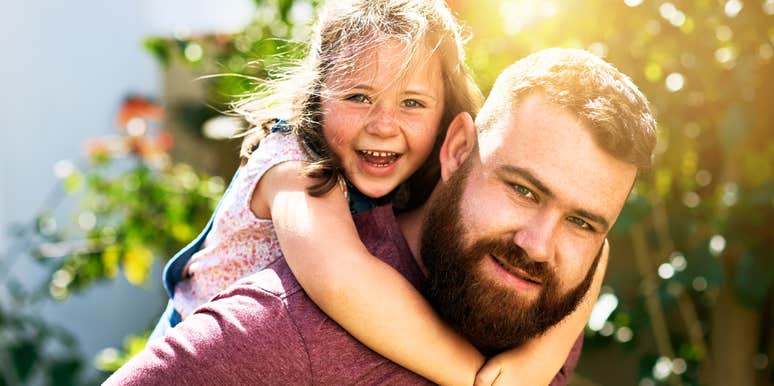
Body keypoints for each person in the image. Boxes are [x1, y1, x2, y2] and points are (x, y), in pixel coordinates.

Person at [106, 48, 656, 385]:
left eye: (583, 222)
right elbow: (341, 275)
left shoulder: (540, 302)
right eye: (523, 190)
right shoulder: (293, 318)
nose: (539, 245)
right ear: (457, 149)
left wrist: (534, 363)